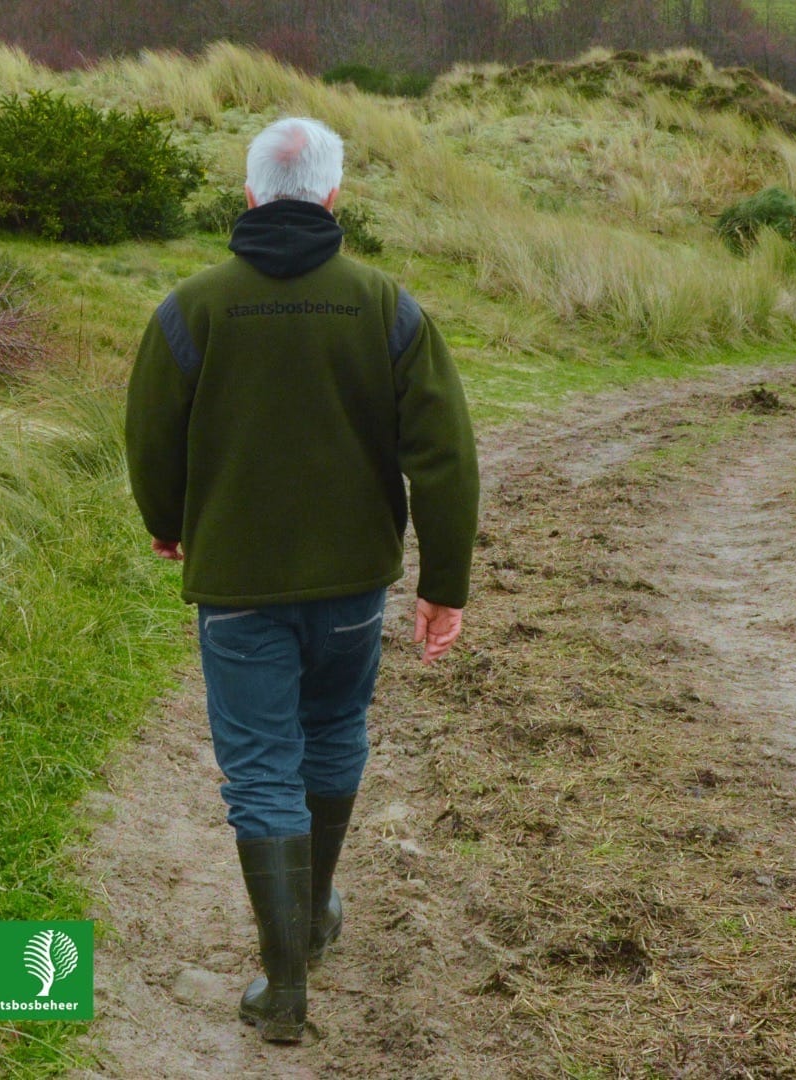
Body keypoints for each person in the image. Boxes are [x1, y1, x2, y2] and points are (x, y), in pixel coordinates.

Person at [125, 116, 479, 1043]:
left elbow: (151, 438)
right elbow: (444, 455)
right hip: (354, 588)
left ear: (249, 196)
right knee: (332, 738)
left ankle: (284, 986)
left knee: (260, 772)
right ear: (332, 197)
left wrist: (169, 524)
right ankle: (313, 914)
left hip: (238, 584)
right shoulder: (386, 306)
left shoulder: (189, 308)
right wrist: (445, 583)